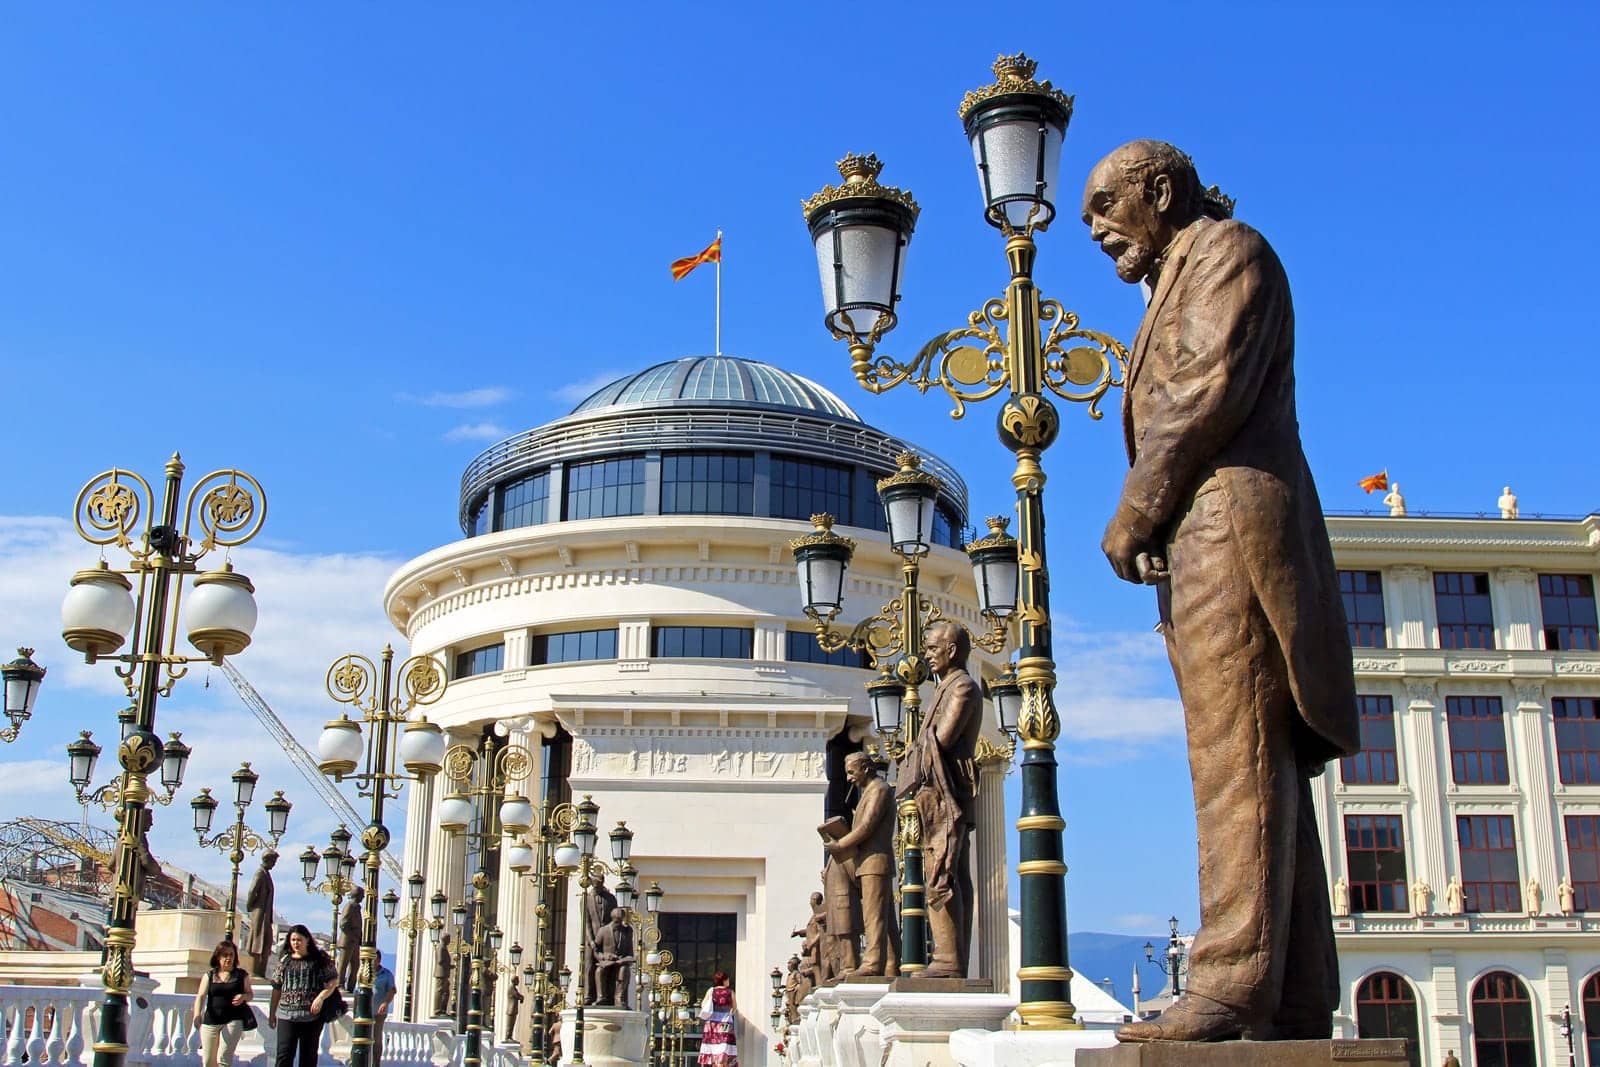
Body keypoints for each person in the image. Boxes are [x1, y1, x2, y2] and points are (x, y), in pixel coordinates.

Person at [1083, 140, 1359, 1043]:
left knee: (1234, 748)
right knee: (1260, 756)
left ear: (1161, 191)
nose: (1095, 230)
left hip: (1230, 526)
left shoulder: (1228, 251)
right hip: (1208, 531)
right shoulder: (1180, 272)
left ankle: (1232, 981)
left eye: (1105, 207)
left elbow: (1200, 393)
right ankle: (1294, 987)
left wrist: (1136, 511)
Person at [894, 621, 981, 977]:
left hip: (947, 794)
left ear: (952, 650)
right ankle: (950, 955)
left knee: (941, 873)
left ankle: (948, 958)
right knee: (950, 870)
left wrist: (912, 753)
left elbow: (941, 740)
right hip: (939, 792)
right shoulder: (944, 688)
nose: (926, 655)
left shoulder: (961, 688)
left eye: (932, 648)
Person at [823, 752, 898, 978]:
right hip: (866, 862)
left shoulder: (879, 790)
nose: (848, 778)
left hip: (874, 861)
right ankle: (891, 963)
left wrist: (840, 844)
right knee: (884, 916)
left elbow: (867, 826)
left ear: (866, 768)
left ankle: (874, 963)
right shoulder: (869, 792)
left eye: (851, 772)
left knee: (874, 915)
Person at [268, 923, 341, 1067]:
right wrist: (272, 1013)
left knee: (308, 1057)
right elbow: (277, 988)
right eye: (293, 940)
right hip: (286, 1015)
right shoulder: (284, 961)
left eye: (299, 939)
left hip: (311, 1017)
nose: (296, 943)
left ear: (307, 940)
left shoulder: (319, 959)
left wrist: (321, 997)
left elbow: (332, 981)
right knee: (284, 1055)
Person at [191, 939, 254, 1067]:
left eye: (231, 955)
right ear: (218, 957)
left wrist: (243, 997)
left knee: (223, 1059)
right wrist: (197, 1015)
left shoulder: (241, 975)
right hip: (211, 1019)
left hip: (233, 1020)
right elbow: (201, 996)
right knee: (208, 1060)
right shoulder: (209, 975)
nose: (228, 958)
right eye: (225, 955)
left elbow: (250, 994)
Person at [584, 872, 618, 1004]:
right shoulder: (586, 899)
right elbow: (586, 923)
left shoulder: (611, 899)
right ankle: (588, 996)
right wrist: (591, 941)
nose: (598, 887)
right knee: (589, 966)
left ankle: (607, 997)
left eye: (600, 884)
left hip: (607, 939)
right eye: (596, 885)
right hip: (591, 940)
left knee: (608, 968)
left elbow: (614, 919)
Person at [244, 851, 278, 979]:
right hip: (260, 913)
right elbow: (252, 891)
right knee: (258, 941)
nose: (274, 864)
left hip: (265, 914)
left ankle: (260, 972)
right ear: (268, 860)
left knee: (266, 942)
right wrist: (250, 907)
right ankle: (255, 972)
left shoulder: (266, 874)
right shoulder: (260, 873)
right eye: (273, 861)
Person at [697, 971, 738, 1067]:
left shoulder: (711, 990)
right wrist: (728, 1012)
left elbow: (703, 1004)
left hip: (712, 1023)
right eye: (727, 979)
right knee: (724, 1046)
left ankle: (716, 1064)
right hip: (725, 1022)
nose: (728, 981)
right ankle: (722, 1064)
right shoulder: (730, 992)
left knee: (713, 1046)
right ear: (724, 980)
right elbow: (734, 1007)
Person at [371, 948, 396, 1067]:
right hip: (365, 1011)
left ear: (379, 960)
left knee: (376, 1038)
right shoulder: (365, 972)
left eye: (374, 959)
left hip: (378, 1012)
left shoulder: (386, 974)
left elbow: (392, 990)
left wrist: (385, 1003)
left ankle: (376, 1063)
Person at [338, 885, 364, 991]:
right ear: (357, 895)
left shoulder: (356, 907)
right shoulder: (350, 906)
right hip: (348, 941)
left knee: (355, 966)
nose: (363, 897)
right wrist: (352, 935)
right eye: (362, 895)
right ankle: (340, 985)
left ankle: (350, 987)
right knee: (343, 964)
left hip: (355, 941)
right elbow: (343, 923)